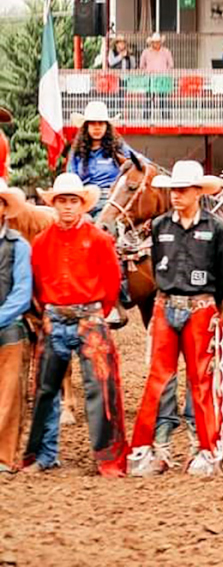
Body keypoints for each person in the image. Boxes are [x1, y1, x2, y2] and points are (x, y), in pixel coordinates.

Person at [128, 162, 223, 478]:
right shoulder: (161, 227)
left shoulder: (217, 230)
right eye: (174, 189)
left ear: (198, 192)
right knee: (157, 379)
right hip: (165, 306)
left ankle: (207, 449)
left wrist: (205, 300)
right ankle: (146, 448)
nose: (176, 195)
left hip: (200, 309)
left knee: (201, 380)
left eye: (183, 189)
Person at [23, 174, 128, 476]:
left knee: (102, 387)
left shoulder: (99, 239)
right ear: (53, 204)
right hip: (54, 318)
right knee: (45, 390)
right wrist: (47, 311)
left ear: (82, 205)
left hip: (89, 319)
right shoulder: (42, 242)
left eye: (73, 201)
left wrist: (96, 313)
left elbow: (111, 283)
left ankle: (107, 458)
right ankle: (44, 455)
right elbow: (37, 281)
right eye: (62, 201)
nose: (67, 207)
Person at [0, 180, 32, 473]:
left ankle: (4, 457)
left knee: (9, 395)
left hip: (8, 327)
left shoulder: (18, 246)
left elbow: (22, 293)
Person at [67, 100, 137, 214]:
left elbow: (140, 162)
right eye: (93, 123)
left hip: (110, 203)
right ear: (86, 126)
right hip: (84, 202)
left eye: (101, 123)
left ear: (106, 126)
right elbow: (71, 178)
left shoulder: (118, 148)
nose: (97, 127)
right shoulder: (77, 152)